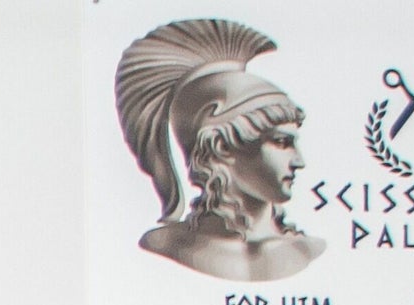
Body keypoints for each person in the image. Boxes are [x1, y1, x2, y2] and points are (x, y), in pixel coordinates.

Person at [117, 19, 325, 283]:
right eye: (282, 142)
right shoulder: (166, 245)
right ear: (221, 147)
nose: (299, 162)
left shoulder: (307, 249)